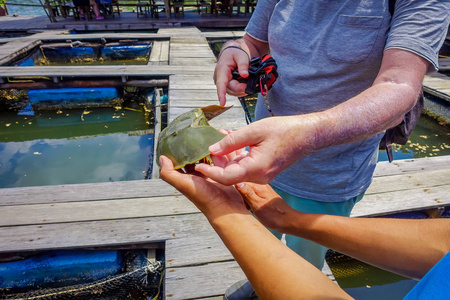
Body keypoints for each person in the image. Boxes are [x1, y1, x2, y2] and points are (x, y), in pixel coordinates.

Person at [194, 0, 450, 288]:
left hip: (331, 174)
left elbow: (399, 84)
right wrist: (234, 50)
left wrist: (304, 135)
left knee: (306, 256)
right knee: (262, 237)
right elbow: (252, 42)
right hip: (259, 153)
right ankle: (258, 284)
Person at [159, 155, 450, 300]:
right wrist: (287, 218)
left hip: (335, 177)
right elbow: (445, 245)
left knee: (308, 256)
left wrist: (225, 211)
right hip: (283, 177)